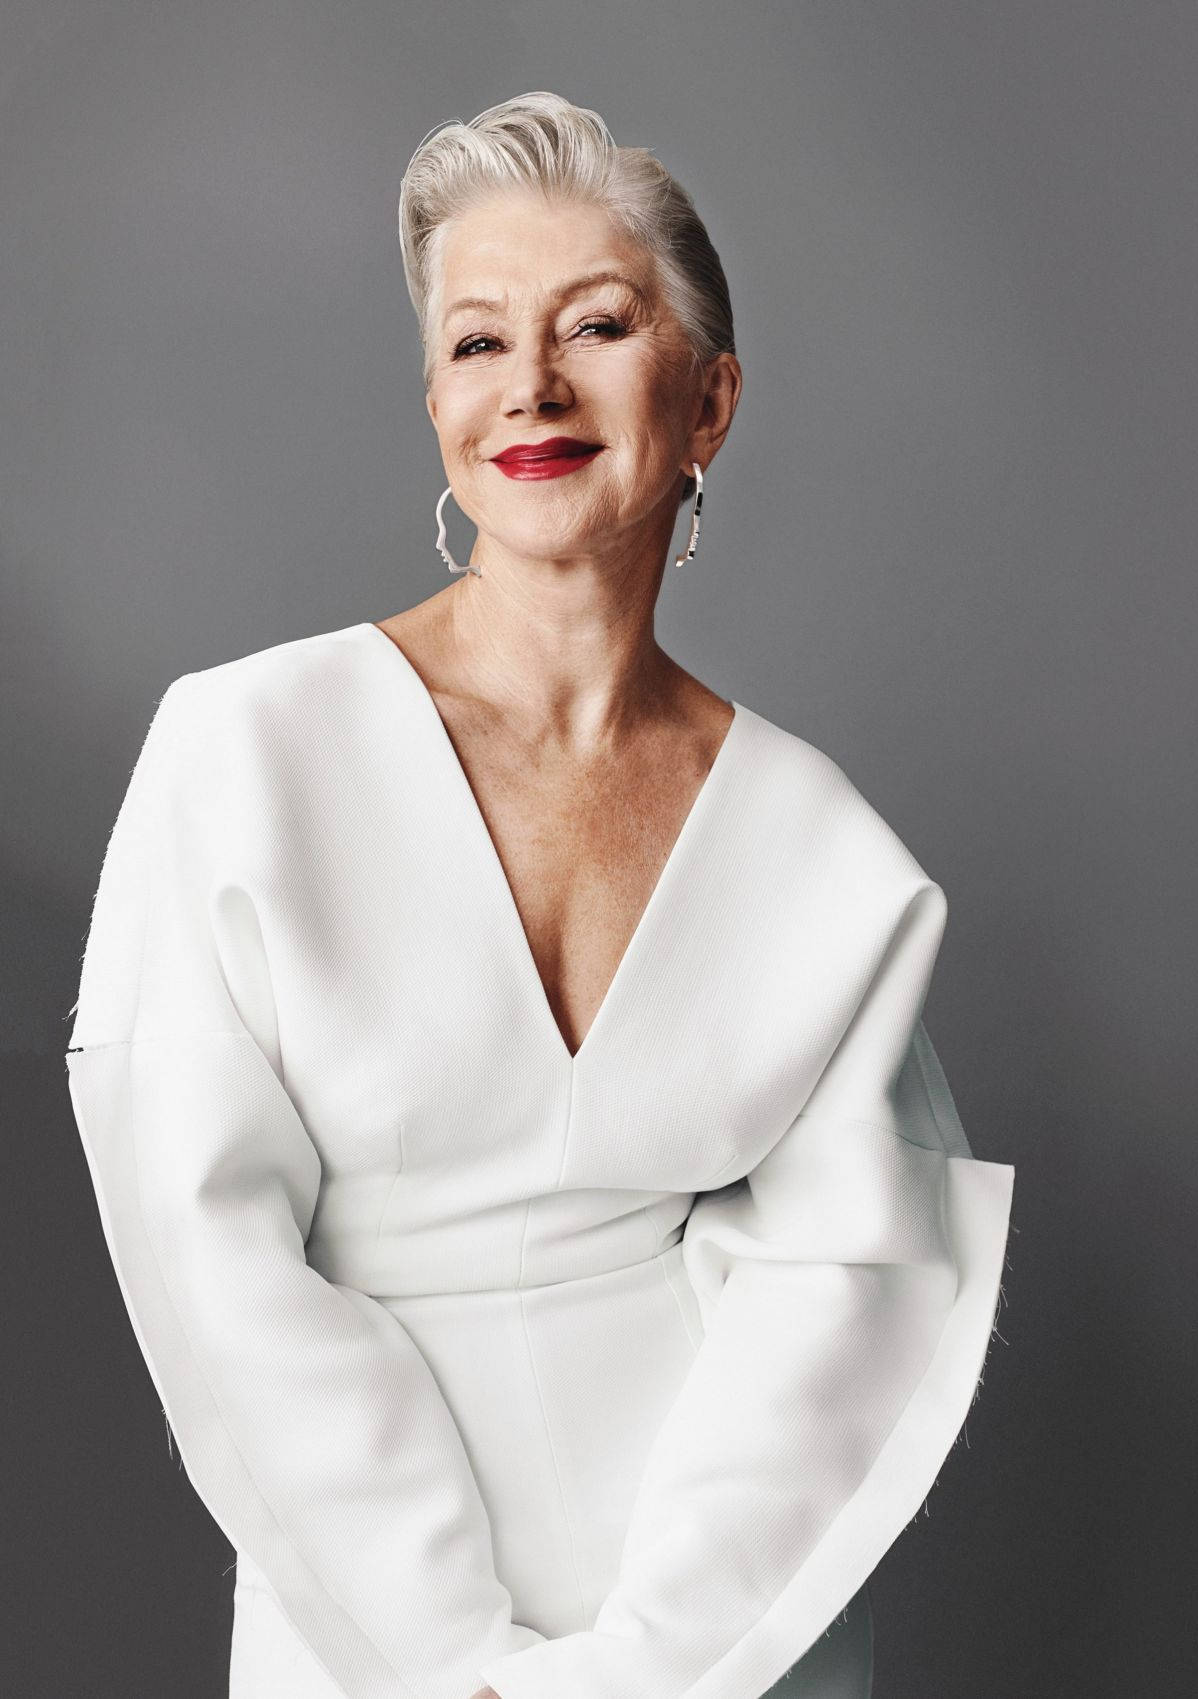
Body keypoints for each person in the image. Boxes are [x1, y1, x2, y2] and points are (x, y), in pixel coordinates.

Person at [63, 91, 1015, 1699]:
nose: (532, 386)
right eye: (478, 341)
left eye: (597, 325)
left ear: (708, 400)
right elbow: (208, 1255)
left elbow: (846, 1295)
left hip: (727, 1651)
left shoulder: (818, 853)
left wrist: (640, 1671)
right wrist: (464, 1668)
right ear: (437, 400)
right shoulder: (244, 755)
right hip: (364, 1636)